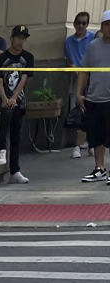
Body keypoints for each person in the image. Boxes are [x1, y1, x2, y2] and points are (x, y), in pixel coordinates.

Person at [0, 25, 34, 183]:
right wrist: (4, 98)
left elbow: (24, 79)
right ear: (12, 38)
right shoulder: (1, 58)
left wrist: (14, 98)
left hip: (19, 99)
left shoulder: (28, 57)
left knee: (16, 135)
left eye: (23, 38)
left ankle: (15, 170)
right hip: (3, 98)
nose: (20, 41)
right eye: (18, 37)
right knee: (4, 121)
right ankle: (1, 149)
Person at [78, 9, 110, 181]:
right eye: (106, 24)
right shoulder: (93, 46)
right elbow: (84, 71)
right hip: (94, 97)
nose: (109, 28)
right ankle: (100, 168)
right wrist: (79, 93)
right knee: (96, 136)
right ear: (102, 27)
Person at [66, 13, 95, 156]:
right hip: (77, 79)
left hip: (92, 78)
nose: (81, 26)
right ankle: (77, 146)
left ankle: (91, 143)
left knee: (91, 110)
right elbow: (68, 60)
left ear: (87, 24)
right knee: (78, 110)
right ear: (74, 24)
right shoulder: (68, 41)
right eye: (78, 23)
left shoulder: (92, 38)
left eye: (84, 23)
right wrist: (72, 66)